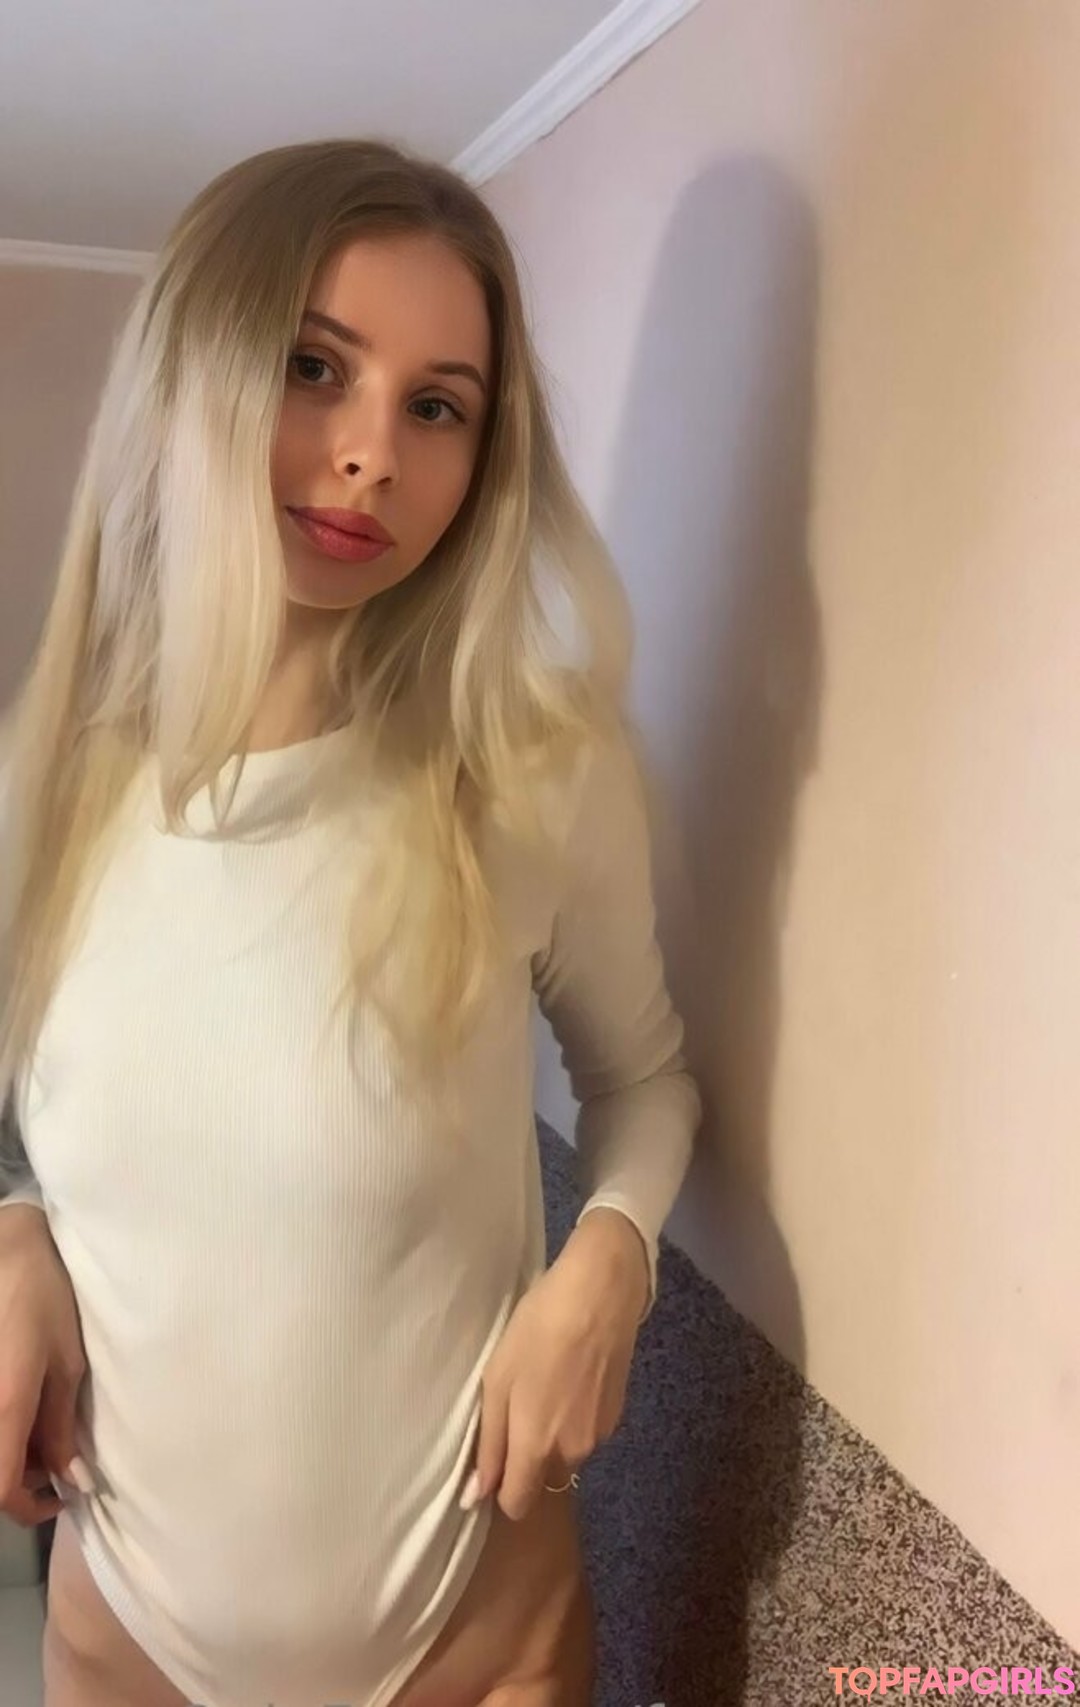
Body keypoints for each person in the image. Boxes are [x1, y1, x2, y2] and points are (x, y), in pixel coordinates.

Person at [0, 137, 702, 1707]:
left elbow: (644, 1081)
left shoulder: (534, 773)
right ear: (192, 374)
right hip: (127, 1652)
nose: (373, 454)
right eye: (314, 368)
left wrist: (608, 1264)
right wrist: (14, 1227)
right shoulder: (38, 791)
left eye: (436, 406)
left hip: (478, 1648)